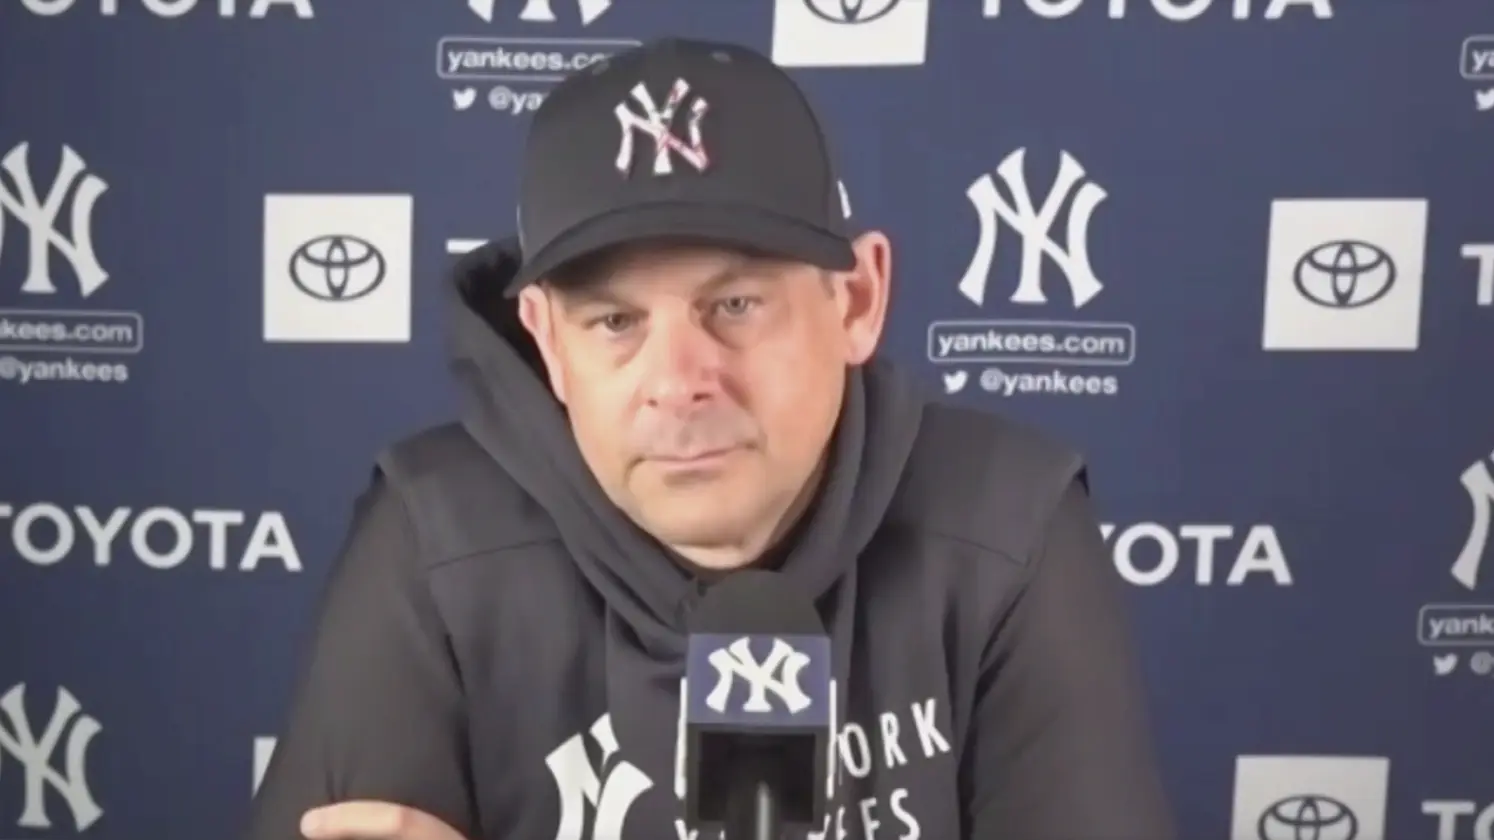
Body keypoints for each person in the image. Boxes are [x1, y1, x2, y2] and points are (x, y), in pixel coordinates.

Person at [245, 36, 1175, 840]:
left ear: (855, 300)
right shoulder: (432, 540)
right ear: (548, 343)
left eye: (734, 305)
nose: (681, 383)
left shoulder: (1008, 528)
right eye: (615, 323)